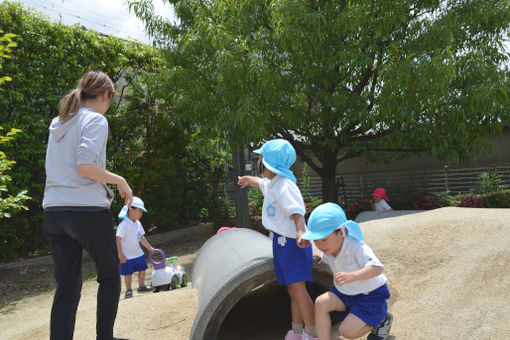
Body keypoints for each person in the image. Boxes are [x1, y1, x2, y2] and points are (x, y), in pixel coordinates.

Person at [42, 71, 133, 340]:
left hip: (55, 213)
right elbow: (85, 165)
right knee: (109, 276)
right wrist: (120, 180)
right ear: (106, 95)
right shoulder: (96, 120)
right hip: (87, 211)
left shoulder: (59, 122)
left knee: (67, 286)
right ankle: (105, 337)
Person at [237, 139, 317, 340]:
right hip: (282, 243)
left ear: (267, 162)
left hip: (293, 244)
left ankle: (313, 334)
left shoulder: (285, 185)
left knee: (299, 291)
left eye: (260, 157)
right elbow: (261, 183)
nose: (258, 161)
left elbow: (297, 211)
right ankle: (297, 331)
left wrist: (300, 231)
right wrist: (247, 178)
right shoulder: (274, 183)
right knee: (293, 291)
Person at [301, 202, 393, 340]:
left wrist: (353, 276)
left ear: (342, 232)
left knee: (346, 332)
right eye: (316, 241)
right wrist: (322, 257)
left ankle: (380, 321)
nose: (320, 245)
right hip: (346, 293)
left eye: (324, 239)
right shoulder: (330, 249)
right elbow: (330, 256)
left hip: (370, 295)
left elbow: (377, 268)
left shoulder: (356, 248)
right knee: (321, 303)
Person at [116, 196, 154, 298]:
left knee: (143, 268)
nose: (141, 214)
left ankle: (141, 286)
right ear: (131, 209)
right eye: (140, 211)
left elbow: (140, 237)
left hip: (138, 253)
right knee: (128, 273)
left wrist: (149, 247)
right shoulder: (124, 225)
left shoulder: (138, 224)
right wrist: (120, 254)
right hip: (127, 255)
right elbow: (118, 239)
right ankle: (128, 290)